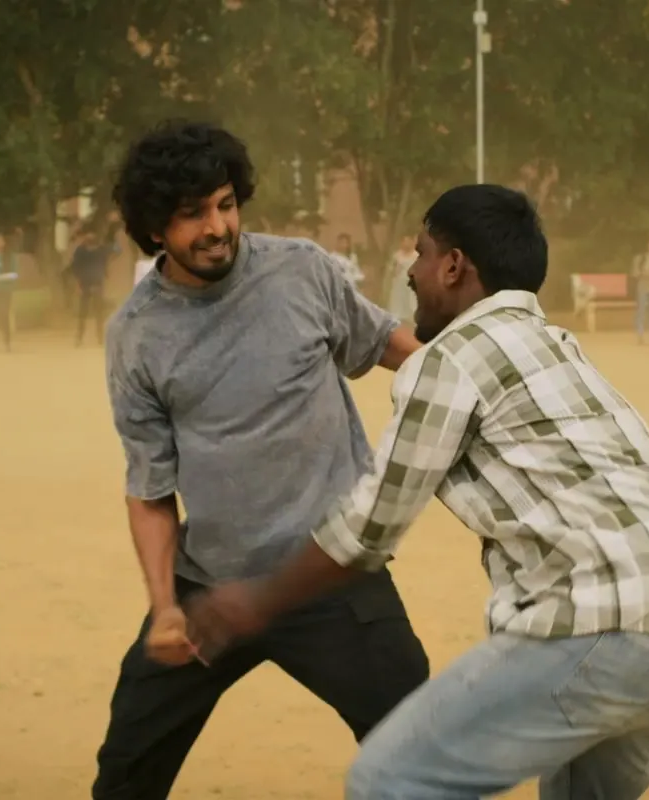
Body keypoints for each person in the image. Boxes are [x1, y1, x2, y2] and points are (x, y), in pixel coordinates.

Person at [185, 184, 649, 800]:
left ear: (454, 266)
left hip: (601, 622)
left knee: (390, 779)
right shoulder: (558, 347)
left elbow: (368, 529)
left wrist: (254, 601)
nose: (411, 270)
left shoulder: (450, 358)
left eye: (422, 253)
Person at [92, 120, 430, 800]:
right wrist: (165, 608)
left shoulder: (302, 270)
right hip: (212, 592)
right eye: (192, 214)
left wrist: (477, 379)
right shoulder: (137, 335)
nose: (217, 226)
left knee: (425, 756)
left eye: (225, 204)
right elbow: (150, 490)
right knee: (126, 775)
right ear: (155, 228)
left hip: (333, 572)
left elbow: (389, 345)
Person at [70, 226, 116, 346]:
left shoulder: (101, 250)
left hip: (97, 282)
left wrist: (104, 273)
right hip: (85, 283)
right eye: (88, 234)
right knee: (83, 312)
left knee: (98, 311)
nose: (89, 236)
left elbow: (109, 258)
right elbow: (76, 268)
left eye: (92, 234)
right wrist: (78, 285)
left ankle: (100, 337)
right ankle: (79, 337)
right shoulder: (80, 251)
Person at [384, 234, 417, 323]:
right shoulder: (397, 255)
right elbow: (391, 269)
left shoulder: (416, 255)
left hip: (412, 283)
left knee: (412, 303)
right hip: (399, 283)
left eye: (408, 241)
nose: (406, 244)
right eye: (404, 241)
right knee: (397, 304)